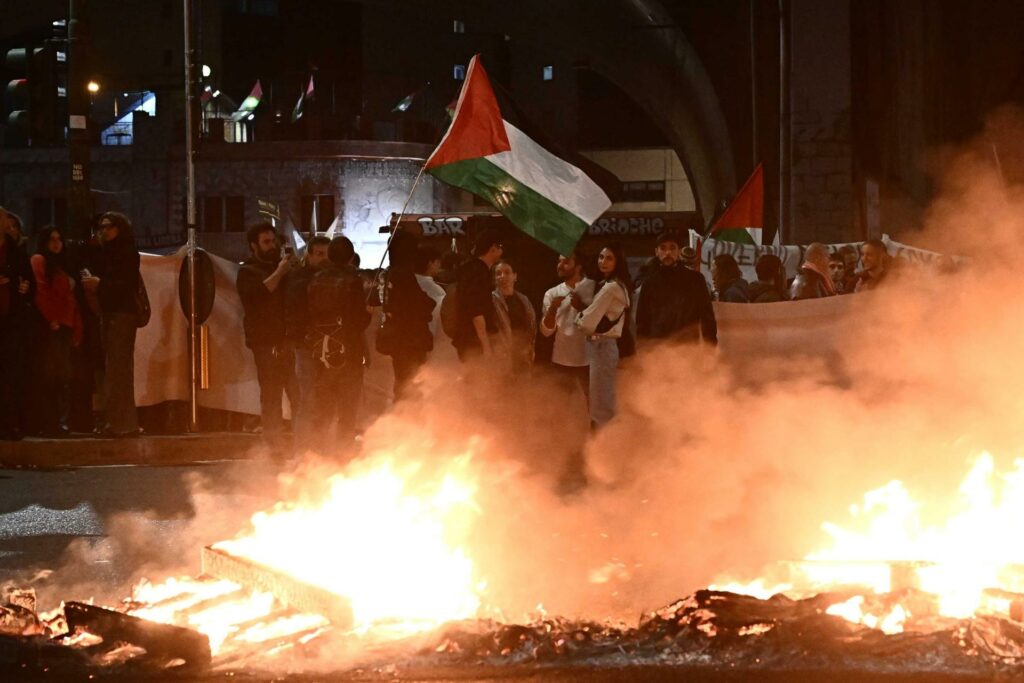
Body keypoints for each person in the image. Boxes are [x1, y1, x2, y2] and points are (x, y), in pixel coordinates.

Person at [236, 222, 298, 453]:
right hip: (265, 341)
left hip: (288, 339)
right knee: (271, 395)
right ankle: (273, 444)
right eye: (266, 242)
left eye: (274, 241)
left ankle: (302, 442)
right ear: (254, 246)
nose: (272, 246)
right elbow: (259, 295)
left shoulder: (283, 268)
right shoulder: (248, 272)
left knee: (297, 392)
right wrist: (280, 271)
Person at [81, 212, 140, 438]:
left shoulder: (125, 252)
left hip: (121, 313)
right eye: (100, 227)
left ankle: (122, 423)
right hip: (112, 313)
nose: (103, 231)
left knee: (118, 371)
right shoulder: (107, 252)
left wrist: (100, 283)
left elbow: (125, 284)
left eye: (107, 227)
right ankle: (119, 421)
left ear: (118, 228)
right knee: (114, 371)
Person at [307, 236, 370, 447]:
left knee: (322, 410)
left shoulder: (314, 280)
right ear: (352, 257)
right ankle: (343, 456)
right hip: (349, 353)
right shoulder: (353, 282)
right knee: (347, 411)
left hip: (321, 352)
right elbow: (359, 319)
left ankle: (317, 457)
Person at [31, 227, 83, 437]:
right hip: (52, 325)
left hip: (65, 326)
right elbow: (41, 291)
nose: (56, 243)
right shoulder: (40, 261)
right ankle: (49, 422)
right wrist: (51, 317)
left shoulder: (64, 266)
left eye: (59, 239)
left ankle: (59, 421)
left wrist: (76, 329)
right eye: (51, 239)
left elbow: (71, 301)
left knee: (62, 377)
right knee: (51, 376)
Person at [574, 243, 631, 429]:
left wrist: (580, 311)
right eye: (601, 257)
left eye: (609, 258)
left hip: (603, 346)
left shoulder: (610, 287)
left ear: (617, 262)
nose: (603, 262)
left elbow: (586, 323)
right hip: (604, 347)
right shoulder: (613, 285)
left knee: (602, 406)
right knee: (604, 401)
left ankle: (606, 451)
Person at [284, 235, 330, 448]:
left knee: (326, 397)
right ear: (309, 255)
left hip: (328, 345)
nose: (323, 258)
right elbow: (295, 311)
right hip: (305, 344)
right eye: (319, 254)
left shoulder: (332, 277)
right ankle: (302, 450)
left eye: (327, 254)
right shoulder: (298, 279)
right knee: (307, 397)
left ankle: (322, 447)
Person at [378, 231, 435, 400]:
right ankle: (406, 419)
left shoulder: (387, 274)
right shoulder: (403, 274)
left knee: (402, 381)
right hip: (408, 339)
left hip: (395, 337)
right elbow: (419, 303)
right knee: (410, 384)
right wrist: (427, 302)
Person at [635, 232, 718, 343]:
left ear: (679, 251)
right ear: (656, 252)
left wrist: (710, 346)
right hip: (657, 348)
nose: (668, 252)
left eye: (672, 248)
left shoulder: (695, 280)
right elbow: (642, 320)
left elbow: (707, 316)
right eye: (663, 248)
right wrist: (642, 349)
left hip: (688, 346)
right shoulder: (649, 283)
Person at [540, 249, 594, 398]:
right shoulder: (551, 293)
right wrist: (552, 310)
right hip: (561, 361)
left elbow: (602, 324)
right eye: (559, 261)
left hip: (589, 360)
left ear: (578, 266)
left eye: (566, 262)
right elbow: (546, 332)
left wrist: (581, 307)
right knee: (561, 411)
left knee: (594, 409)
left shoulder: (594, 287)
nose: (560, 265)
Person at [0, 207, 34, 440]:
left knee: (11, 372)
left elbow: (27, 277)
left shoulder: (15, 250)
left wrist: (26, 287)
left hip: (10, 317)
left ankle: (10, 423)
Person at [453, 229, 502, 362]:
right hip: (473, 341)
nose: (501, 252)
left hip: (467, 337)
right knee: (478, 379)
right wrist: (485, 344)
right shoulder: (478, 272)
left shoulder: (472, 269)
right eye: (500, 247)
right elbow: (476, 310)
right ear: (492, 248)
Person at [491, 260, 536, 376]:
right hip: (500, 358)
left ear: (515, 276)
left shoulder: (524, 300)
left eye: (507, 272)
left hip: (523, 357)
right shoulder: (491, 300)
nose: (503, 276)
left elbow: (531, 328)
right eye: (498, 273)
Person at [415, 244, 446, 339]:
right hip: (427, 340)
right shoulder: (436, 291)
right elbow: (436, 321)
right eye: (438, 262)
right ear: (430, 263)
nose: (439, 266)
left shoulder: (406, 284)